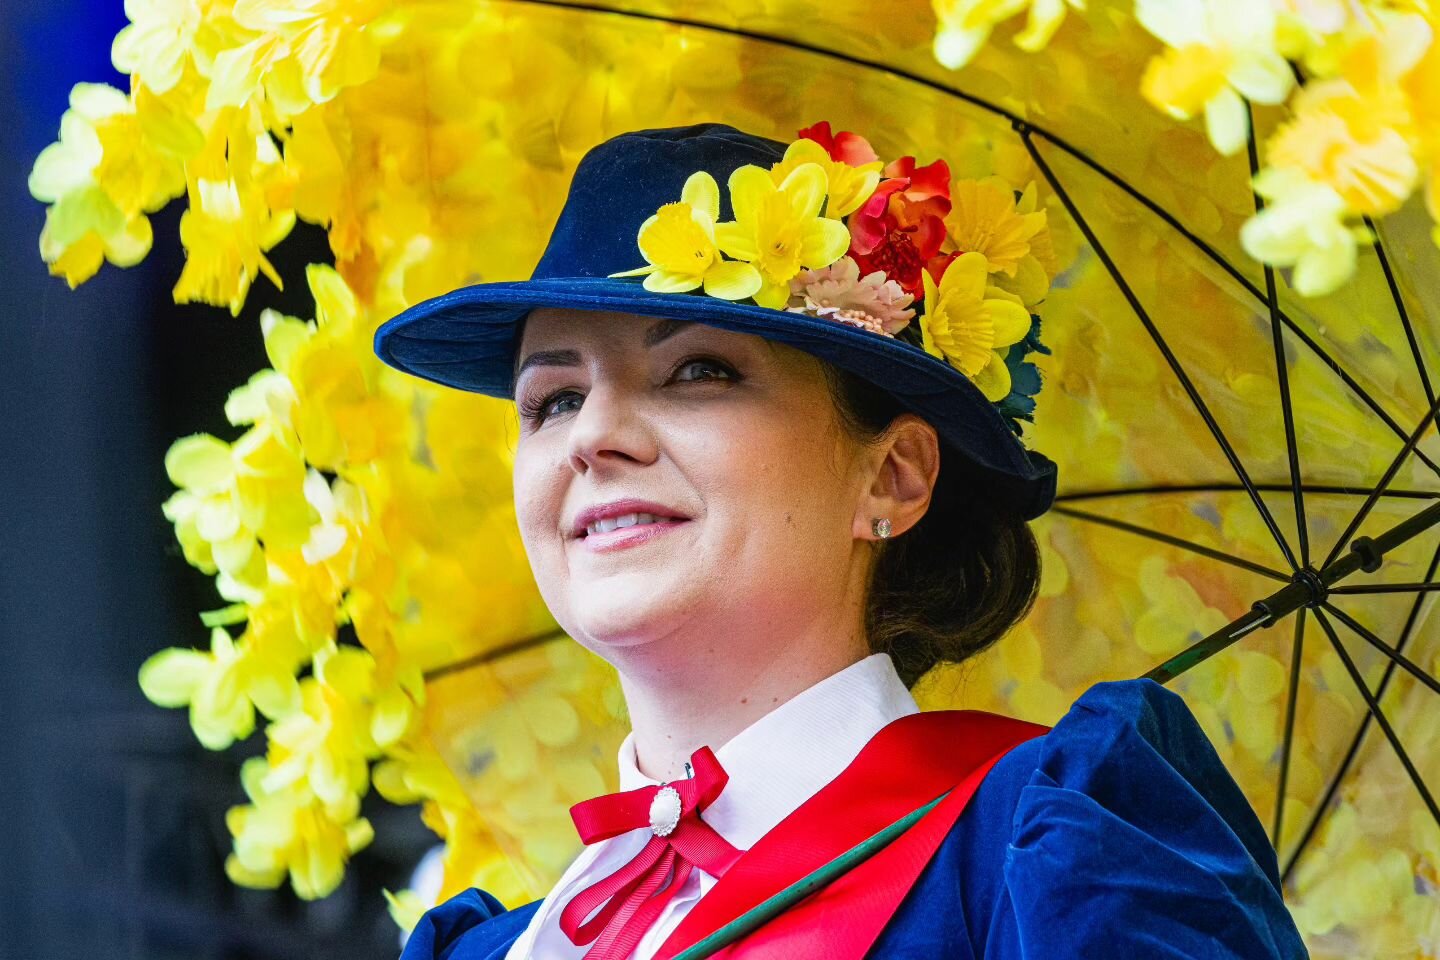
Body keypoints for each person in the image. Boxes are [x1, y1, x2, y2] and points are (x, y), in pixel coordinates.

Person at [372, 122, 1310, 959]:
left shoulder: (1047, 851)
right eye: (555, 399)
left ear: (892, 475)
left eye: (696, 370)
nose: (591, 436)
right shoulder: (494, 948)